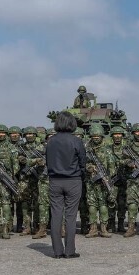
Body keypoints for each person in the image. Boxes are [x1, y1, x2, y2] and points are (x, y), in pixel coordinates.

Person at [46, 111, 85, 259]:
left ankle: (57, 251)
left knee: (56, 215)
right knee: (70, 216)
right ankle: (69, 251)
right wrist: (81, 176)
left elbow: (48, 160)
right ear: (72, 124)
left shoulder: (51, 141)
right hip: (73, 180)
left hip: (55, 181)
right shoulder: (76, 141)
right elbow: (83, 162)